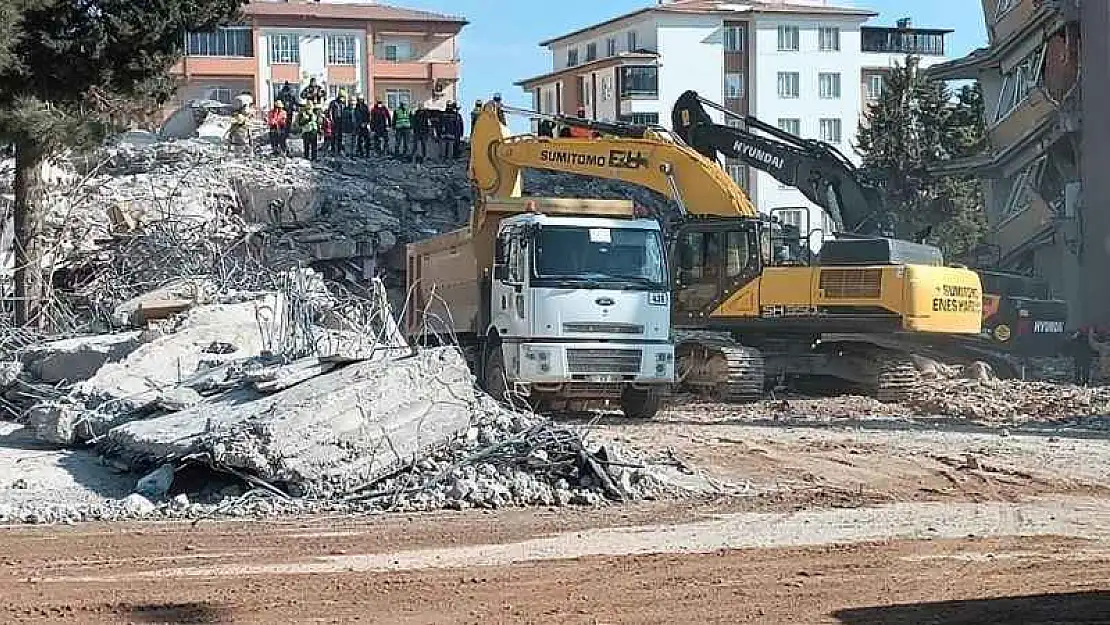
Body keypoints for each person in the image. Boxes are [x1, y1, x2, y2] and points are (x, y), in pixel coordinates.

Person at [326, 90, 347, 156]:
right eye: (341, 97)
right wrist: (331, 120)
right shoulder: (333, 103)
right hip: (335, 121)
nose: (342, 99)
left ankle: (339, 150)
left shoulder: (343, 103)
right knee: (333, 136)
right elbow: (330, 112)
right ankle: (333, 150)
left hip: (341, 121)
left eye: (343, 97)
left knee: (340, 136)